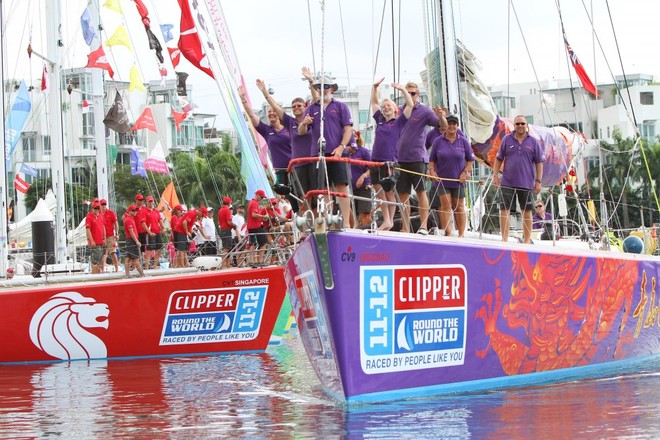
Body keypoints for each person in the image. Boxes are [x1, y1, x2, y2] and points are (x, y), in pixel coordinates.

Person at [257, 68, 320, 210]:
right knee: (303, 196)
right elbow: (275, 107)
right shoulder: (290, 122)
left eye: (299, 106)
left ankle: (318, 221)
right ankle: (306, 225)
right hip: (298, 164)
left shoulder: (312, 118)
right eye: (294, 107)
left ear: (305, 107)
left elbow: (316, 100)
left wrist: (311, 81)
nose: (297, 108)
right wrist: (265, 93)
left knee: (316, 195)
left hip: (313, 160)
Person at [298, 74, 353, 228]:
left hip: (336, 153)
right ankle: (328, 220)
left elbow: (348, 129)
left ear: (332, 89)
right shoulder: (311, 108)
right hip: (318, 154)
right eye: (319, 88)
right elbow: (301, 131)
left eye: (326, 87)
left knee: (342, 187)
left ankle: (347, 223)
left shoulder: (341, 106)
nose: (323, 90)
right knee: (323, 189)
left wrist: (341, 147)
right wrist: (305, 123)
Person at [396, 82, 447, 234]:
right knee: (403, 194)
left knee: (421, 192)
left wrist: (442, 117)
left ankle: (423, 226)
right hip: (400, 158)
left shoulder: (424, 111)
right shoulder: (399, 111)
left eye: (413, 93)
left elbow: (442, 126)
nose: (410, 95)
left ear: (418, 95)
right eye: (407, 92)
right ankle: (405, 227)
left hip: (417, 157)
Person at [493, 115, 545, 244]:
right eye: (517, 124)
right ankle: (504, 239)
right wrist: (495, 176)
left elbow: (539, 162)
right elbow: (499, 158)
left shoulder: (533, 142)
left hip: (526, 182)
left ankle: (527, 240)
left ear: (526, 125)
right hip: (507, 181)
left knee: (526, 212)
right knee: (504, 210)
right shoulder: (506, 139)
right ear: (514, 126)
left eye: (522, 123)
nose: (520, 126)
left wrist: (538, 181)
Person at [370, 79, 414, 230]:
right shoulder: (380, 120)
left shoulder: (399, 122)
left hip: (389, 161)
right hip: (375, 160)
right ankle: (387, 220)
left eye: (389, 105)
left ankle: (389, 221)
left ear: (395, 109)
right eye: (384, 106)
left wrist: (402, 90)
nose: (385, 107)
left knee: (388, 191)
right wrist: (375, 88)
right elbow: (374, 104)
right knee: (379, 190)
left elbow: (410, 105)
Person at [428, 115, 476, 237]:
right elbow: (432, 159)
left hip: (459, 180)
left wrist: (465, 172)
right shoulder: (438, 141)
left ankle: (461, 234)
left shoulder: (463, 141)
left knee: (459, 207)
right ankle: (448, 233)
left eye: (454, 124)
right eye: (449, 123)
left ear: (457, 126)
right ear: (446, 125)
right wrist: (432, 171)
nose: (452, 126)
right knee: (446, 206)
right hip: (442, 180)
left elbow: (470, 160)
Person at [239, 84, 291, 186]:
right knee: (287, 195)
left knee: (300, 195)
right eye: (269, 112)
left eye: (274, 111)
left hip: (294, 167)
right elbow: (251, 115)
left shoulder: (289, 127)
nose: (271, 113)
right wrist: (243, 99)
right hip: (280, 170)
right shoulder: (266, 130)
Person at [347, 131, 373, 228]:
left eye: (353, 135)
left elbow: (372, 168)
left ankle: (370, 234)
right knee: (351, 214)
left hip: (364, 186)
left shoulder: (364, 152)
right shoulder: (346, 153)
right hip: (350, 188)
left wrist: (363, 176)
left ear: (357, 137)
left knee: (364, 214)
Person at [247, 190, 270, 265]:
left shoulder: (251, 202)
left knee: (253, 243)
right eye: (262, 197)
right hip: (256, 226)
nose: (262, 199)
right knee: (264, 243)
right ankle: (260, 260)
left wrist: (262, 218)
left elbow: (254, 215)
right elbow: (253, 214)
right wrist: (263, 216)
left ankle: (252, 260)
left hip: (251, 226)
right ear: (258, 195)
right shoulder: (254, 203)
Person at [143, 196, 165, 269]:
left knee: (159, 249)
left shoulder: (156, 211)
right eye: (149, 201)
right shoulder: (145, 211)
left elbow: (160, 220)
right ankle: (146, 267)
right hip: (150, 233)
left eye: (152, 201)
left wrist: (163, 228)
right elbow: (143, 223)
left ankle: (155, 265)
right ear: (146, 202)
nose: (151, 202)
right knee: (149, 250)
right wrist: (149, 232)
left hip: (157, 232)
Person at [123, 204, 144, 277]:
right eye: (133, 210)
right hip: (132, 240)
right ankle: (142, 274)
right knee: (136, 258)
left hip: (130, 240)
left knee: (128, 258)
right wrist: (137, 241)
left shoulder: (130, 219)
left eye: (135, 210)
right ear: (129, 211)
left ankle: (127, 274)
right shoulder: (129, 220)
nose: (135, 212)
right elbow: (131, 231)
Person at [99, 199, 119, 272]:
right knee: (102, 253)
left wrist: (116, 233)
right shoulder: (98, 213)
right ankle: (102, 269)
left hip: (110, 235)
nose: (103, 206)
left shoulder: (110, 213)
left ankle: (117, 269)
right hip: (101, 237)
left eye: (105, 205)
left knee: (113, 252)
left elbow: (116, 223)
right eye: (102, 205)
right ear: (100, 205)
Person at [85, 201, 105, 274]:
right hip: (95, 242)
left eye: (98, 208)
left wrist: (103, 238)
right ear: (92, 208)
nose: (97, 210)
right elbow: (88, 230)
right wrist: (92, 240)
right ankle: (95, 275)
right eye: (95, 208)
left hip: (100, 241)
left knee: (100, 260)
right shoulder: (89, 217)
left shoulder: (99, 216)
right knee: (95, 261)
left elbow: (102, 228)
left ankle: (99, 274)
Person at [218, 197, 237, 267]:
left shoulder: (220, 210)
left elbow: (219, 221)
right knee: (226, 248)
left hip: (222, 230)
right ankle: (223, 265)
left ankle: (226, 264)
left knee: (225, 248)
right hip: (226, 230)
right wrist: (234, 225)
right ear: (229, 203)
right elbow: (229, 222)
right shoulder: (226, 210)